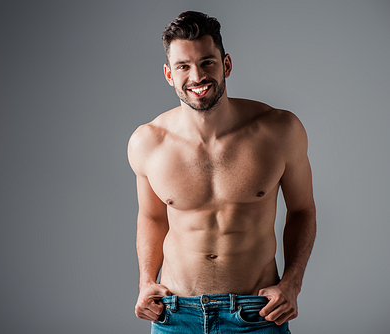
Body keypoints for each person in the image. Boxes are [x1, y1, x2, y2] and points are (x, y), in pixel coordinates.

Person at [127, 11, 316, 334]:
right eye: (183, 66)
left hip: (257, 314)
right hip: (175, 315)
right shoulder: (148, 142)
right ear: (169, 74)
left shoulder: (279, 130)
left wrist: (291, 284)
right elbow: (152, 217)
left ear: (226, 64)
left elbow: (302, 210)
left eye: (207, 62)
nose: (197, 76)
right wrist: (146, 281)